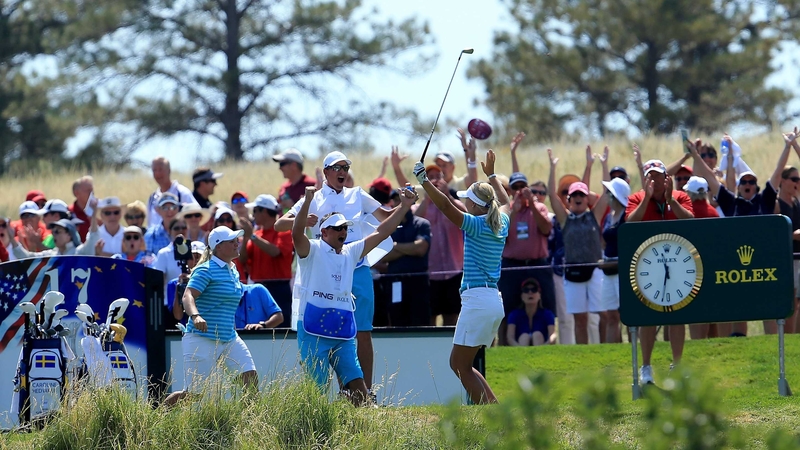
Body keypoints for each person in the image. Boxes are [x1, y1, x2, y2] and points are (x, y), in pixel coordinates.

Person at [275, 151, 398, 393]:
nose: (342, 172)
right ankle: (342, 393)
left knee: (363, 331)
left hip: (357, 266)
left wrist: (406, 203)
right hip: (323, 273)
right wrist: (302, 220)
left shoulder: (357, 194)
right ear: (326, 172)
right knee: (328, 331)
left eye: (345, 167)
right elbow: (280, 224)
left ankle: (365, 393)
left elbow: (385, 217)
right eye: (337, 167)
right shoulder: (314, 197)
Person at [292, 185, 417, 405]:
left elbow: (381, 232)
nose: (343, 232)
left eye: (345, 228)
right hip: (313, 331)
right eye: (337, 228)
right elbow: (296, 233)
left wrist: (404, 206)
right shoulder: (311, 249)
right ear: (324, 232)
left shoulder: (351, 252)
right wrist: (307, 201)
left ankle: (368, 422)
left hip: (342, 331)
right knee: (317, 393)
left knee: (359, 386)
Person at [413, 149, 509, 405]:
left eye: (468, 200)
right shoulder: (502, 222)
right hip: (492, 300)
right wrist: (492, 176)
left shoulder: (475, 225)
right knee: (464, 364)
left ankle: (490, 415)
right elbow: (504, 200)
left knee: (458, 365)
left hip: (477, 300)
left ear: (475, 205)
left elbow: (445, 205)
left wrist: (424, 181)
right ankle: (494, 411)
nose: (464, 203)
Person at [163, 226, 257, 407]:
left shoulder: (233, 270)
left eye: (236, 240)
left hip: (229, 338)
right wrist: (196, 316)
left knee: (250, 380)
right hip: (201, 338)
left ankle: (253, 421)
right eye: (231, 241)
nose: (237, 243)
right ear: (218, 247)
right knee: (194, 394)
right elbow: (188, 296)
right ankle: (159, 417)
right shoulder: (205, 269)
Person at [626, 158, 694, 385]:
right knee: (648, 316)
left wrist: (670, 200)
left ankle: (677, 365)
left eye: (658, 176)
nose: (654, 180)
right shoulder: (636, 198)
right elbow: (630, 223)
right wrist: (646, 198)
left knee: (677, 314)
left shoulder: (680, 197)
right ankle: (646, 367)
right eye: (650, 176)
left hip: (678, 264)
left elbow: (690, 220)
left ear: (667, 178)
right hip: (647, 266)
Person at [548, 148, 607, 345]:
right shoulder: (565, 219)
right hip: (573, 272)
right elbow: (551, 195)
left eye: (582, 194)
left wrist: (602, 165)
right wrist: (552, 168)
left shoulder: (594, 215)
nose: (578, 197)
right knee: (579, 319)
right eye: (574, 195)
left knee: (603, 314)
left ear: (587, 198)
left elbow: (607, 192)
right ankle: (584, 354)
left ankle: (606, 349)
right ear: (569, 200)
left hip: (595, 270)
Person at [498, 171, 554, 345]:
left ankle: (547, 344)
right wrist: (514, 212)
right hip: (512, 266)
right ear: (510, 191)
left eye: (523, 186)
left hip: (537, 264)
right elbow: (501, 236)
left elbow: (546, 229)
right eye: (515, 187)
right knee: (506, 307)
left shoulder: (539, 207)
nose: (520, 190)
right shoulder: (506, 210)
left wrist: (532, 206)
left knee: (546, 305)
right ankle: (504, 346)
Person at [239, 194, 293, 328]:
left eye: (255, 210)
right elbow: (243, 259)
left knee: (281, 329)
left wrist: (252, 236)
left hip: (279, 288)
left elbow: (275, 252)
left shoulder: (284, 232)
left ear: (264, 211)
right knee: (257, 327)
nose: (253, 215)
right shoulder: (256, 234)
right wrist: (246, 238)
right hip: (258, 289)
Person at [378, 204, 431, 326]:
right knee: (397, 321)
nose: (399, 204)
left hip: (418, 282)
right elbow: (383, 255)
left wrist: (395, 246)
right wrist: (410, 248)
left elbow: (420, 248)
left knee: (420, 323)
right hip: (395, 281)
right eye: (396, 201)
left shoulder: (422, 224)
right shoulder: (389, 227)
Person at [598, 177, 630, 344]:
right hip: (608, 271)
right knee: (611, 316)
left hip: (623, 272)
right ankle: (613, 351)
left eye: (609, 193)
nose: (606, 196)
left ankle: (634, 349)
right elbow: (604, 242)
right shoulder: (608, 217)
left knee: (629, 315)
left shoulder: (627, 216)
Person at [10, 202, 100, 258]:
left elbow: (93, 238)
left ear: (69, 235)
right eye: (53, 232)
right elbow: (27, 258)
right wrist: (11, 238)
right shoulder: (52, 255)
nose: (54, 234)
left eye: (57, 232)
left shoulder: (80, 252)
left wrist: (93, 215)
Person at [147, 157, 196, 228]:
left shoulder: (182, 193)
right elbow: (149, 224)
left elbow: (196, 216)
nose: (158, 174)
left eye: (160, 169)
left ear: (169, 171)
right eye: (154, 170)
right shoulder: (152, 198)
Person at [506, 278, 556, 346]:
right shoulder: (514, 314)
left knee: (537, 335)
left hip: (541, 344)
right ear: (522, 296)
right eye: (526, 290)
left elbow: (553, 335)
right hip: (521, 345)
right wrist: (519, 349)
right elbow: (510, 338)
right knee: (524, 337)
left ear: (539, 295)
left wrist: (544, 347)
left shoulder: (547, 314)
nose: (530, 293)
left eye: (534, 289)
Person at [153, 218, 192, 301]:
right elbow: (159, 281)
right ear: (170, 231)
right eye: (176, 228)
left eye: (184, 228)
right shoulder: (164, 253)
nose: (180, 231)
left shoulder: (195, 250)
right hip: (170, 301)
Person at [169, 240, 206, 321]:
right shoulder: (174, 283)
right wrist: (179, 287)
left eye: (199, 257)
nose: (195, 261)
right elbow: (178, 316)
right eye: (191, 257)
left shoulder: (211, 281)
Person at [69, 175, 94, 240]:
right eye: (88, 191)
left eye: (92, 190)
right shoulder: (69, 212)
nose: (92, 193)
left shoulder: (100, 211)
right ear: (76, 193)